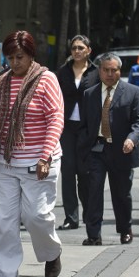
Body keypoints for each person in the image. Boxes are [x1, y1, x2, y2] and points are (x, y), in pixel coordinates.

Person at [0, 30, 64, 277]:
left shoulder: (46, 79)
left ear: (31, 55)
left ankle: (51, 254)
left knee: (36, 216)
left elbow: (55, 119)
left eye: (19, 57)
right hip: (4, 162)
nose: (14, 62)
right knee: (3, 220)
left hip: (38, 160)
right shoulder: (1, 81)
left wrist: (45, 156)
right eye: (9, 57)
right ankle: (7, 275)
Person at [80, 53, 139, 245]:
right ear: (99, 71)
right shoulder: (89, 93)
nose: (109, 74)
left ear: (120, 71)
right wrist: (84, 145)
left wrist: (132, 139)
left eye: (113, 70)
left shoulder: (133, 92)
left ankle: (125, 229)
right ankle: (93, 234)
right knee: (93, 191)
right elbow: (84, 123)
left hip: (122, 150)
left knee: (122, 193)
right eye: (106, 70)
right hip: (97, 149)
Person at [55, 35, 99, 230]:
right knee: (68, 170)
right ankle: (70, 217)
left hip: (87, 127)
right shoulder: (62, 72)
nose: (77, 51)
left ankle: (89, 214)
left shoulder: (96, 72)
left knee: (85, 171)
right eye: (74, 48)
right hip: (66, 128)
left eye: (81, 48)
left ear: (89, 50)